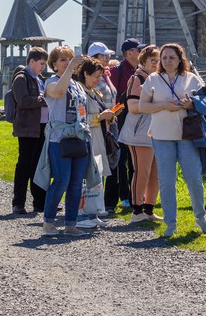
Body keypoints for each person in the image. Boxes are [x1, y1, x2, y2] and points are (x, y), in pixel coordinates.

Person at [139, 43, 206, 237]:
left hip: (186, 135)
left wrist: (191, 104)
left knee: (194, 177)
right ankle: (170, 223)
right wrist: (164, 106)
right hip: (161, 136)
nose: (167, 61)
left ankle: (201, 218)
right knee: (166, 181)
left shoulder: (191, 78)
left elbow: (205, 102)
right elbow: (142, 107)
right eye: (164, 58)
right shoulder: (153, 79)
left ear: (180, 59)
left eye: (172, 57)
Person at [41, 47, 91, 237]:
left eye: (70, 59)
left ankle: (71, 224)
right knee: (61, 181)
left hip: (78, 137)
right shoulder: (50, 82)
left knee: (76, 183)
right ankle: (48, 221)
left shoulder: (77, 85)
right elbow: (58, 92)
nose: (67, 62)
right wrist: (70, 68)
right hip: (59, 139)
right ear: (54, 64)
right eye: (63, 60)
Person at [118, 44, 161, 223]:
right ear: (143, 60)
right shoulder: (137, 78)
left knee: (155, 173)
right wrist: (158, 105)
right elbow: (133, 107)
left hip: (157, 131)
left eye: (158, 60)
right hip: (139, 131)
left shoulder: (158, 79)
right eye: (152, 60)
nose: (156, 63)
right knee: (142, 171)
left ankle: (149, 208)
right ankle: (137, 210)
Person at [76, 57, 117, 227]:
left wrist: (110, 116)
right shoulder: (80, 92)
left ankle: (93, 213)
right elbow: (79, 119)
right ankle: (81, 215)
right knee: (86, 178)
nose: (98, 80)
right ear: (85, 74)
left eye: (100, 76)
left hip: (98, 137)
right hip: (87, 138)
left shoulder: (93, 92)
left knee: (96, 176)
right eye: (96, 76)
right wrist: (101, 117)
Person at [11, 47, 49, 215]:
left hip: (40, 127)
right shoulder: (21, 78)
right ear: (31, 61)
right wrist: (44, 99)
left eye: (45, 64)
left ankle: (40, 203)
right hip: (27, 128)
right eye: (41, 63)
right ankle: (18, 203)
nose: (43, 67)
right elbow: (23, 101)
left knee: (38, 166)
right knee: (25, 166)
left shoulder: (38, 78)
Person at [106, 38, 140, 210]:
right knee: (119, 161)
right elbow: (111, 96)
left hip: (136, 121)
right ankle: (118, 198)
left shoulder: (140, 71)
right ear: (129, 53)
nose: (140, 53)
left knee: (134, 161)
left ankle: (134, 197)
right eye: (138, 50)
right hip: (119, 121)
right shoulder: (116, 71)